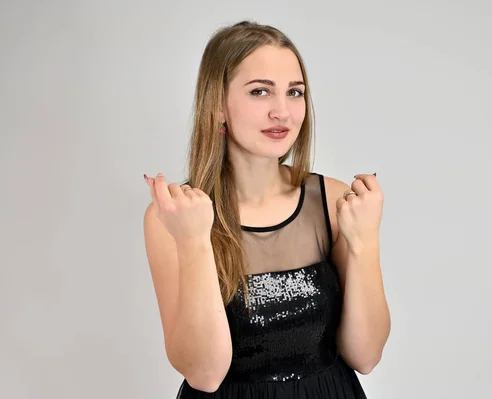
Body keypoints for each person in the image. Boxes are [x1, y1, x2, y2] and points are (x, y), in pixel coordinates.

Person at [143, 20, 390, 398]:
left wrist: (365, 243)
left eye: (295, 92)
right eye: (260, 92)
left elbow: (366, 356)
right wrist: (194, 242)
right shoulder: (173, 216)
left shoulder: (333, 201)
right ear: (218, 106)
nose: (283, 112)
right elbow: (205, 373)